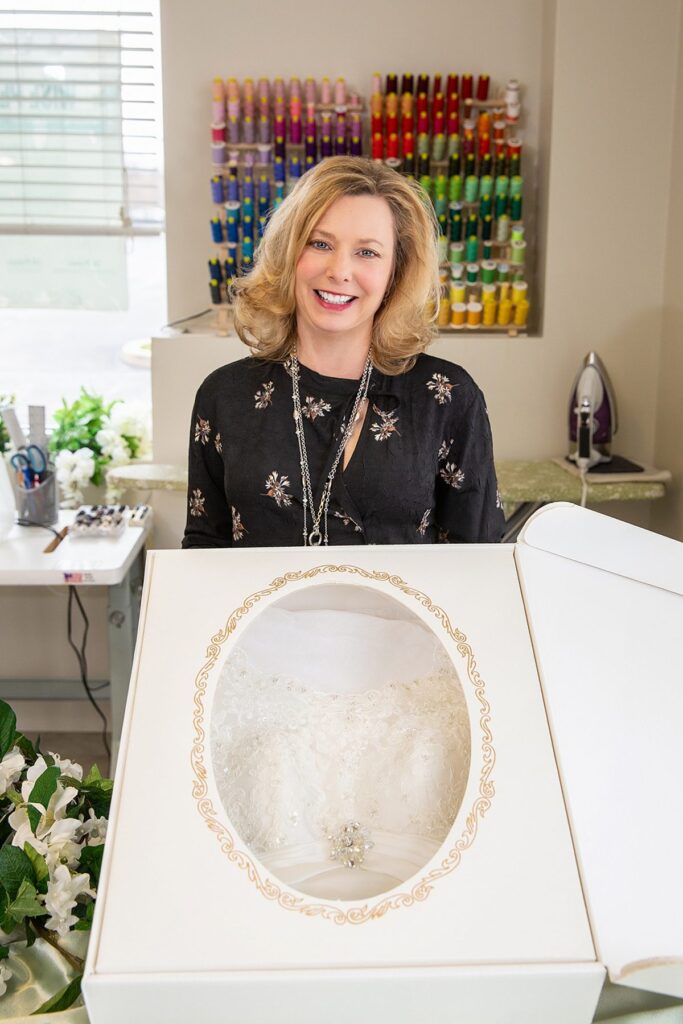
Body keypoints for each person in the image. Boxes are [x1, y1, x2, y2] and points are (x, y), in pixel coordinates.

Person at [182, 156, 504, 549]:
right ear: (289, 254)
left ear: (395, 272)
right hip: (261, 613)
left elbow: (479, 556)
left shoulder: (448, 396)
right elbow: (203, 550)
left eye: (367, 252)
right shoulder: (223, 395)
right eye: (320, 243)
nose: (339, 270)